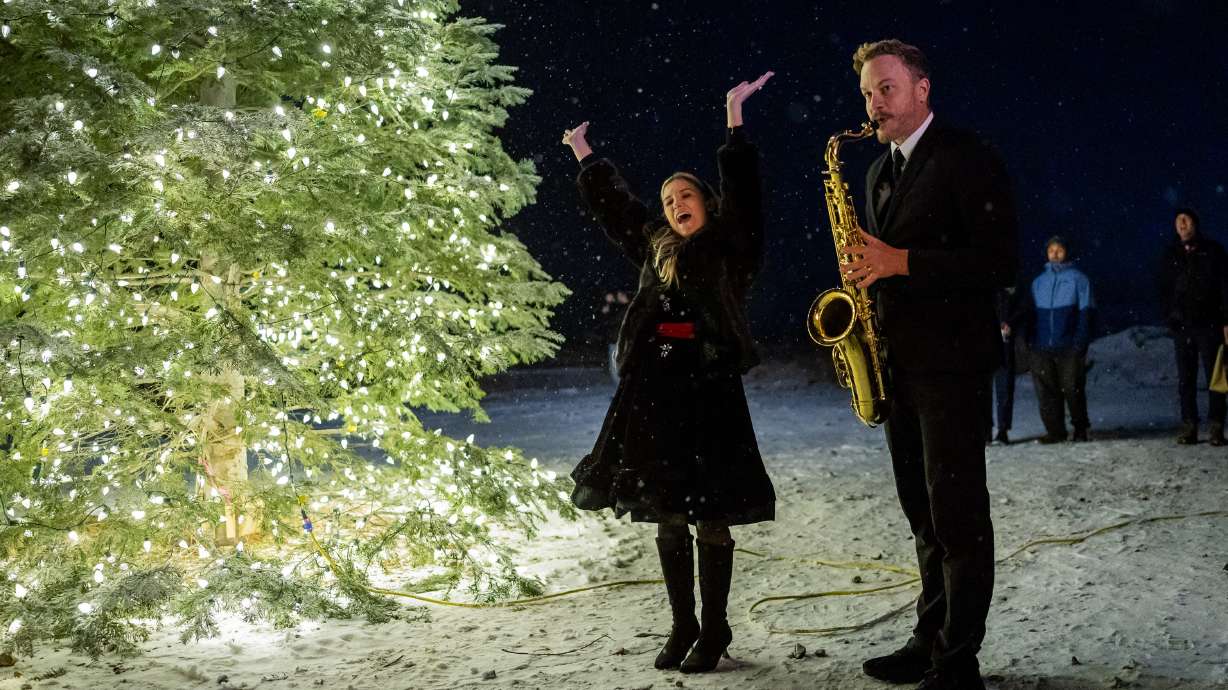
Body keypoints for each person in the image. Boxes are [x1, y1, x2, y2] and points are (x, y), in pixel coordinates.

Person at [561, 72, 777, 674]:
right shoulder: (656, 248)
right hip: (653, 393)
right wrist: (585, 154)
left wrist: (734, 118)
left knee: (709, 509)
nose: (674, 205)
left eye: (685, 196)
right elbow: (618, 211)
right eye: (667, 201)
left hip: (708, 392)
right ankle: (682, 623)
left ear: (706, 202)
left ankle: (715, 627)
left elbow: (747, 193)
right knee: (667, 508)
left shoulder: (732, 245)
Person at [839, 40, 1016, 690]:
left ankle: (957, 662)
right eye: (866, 93)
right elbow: (877, 267)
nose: (873, 104)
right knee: (921, 512)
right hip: (899, 366)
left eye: (885, 88)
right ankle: (929, 637)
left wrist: (902, 262)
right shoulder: (878, 172)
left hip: (954, 366)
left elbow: (1000, 263)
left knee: (958, 514)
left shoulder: (967, 158)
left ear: (921, 89)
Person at [1158, 207, 1228, 445]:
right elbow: (1164, 289)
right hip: (1182, 326)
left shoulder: (1213, 251)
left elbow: (1225, 287)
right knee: (1185, 379)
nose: (1182, 224)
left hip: (1210, 324)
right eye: (1178, 221)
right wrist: (1170, 315)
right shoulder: (1171, 254)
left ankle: (1216, 427)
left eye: (1186, 220)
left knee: (1215, 378)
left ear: (1195, 224)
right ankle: (1189, 426)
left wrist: (1226, 320)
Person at [1028, 235, 1095, 444]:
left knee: (1072, 388)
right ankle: (1055, 431)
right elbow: (1030, 315)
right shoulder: (1038, 282)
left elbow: (1087, 313)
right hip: (1042, 346)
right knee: (1046, 391)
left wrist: (1079, 343)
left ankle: (1080, 428)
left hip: (1069, 346)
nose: (1055, 254)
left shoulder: (1079, 279)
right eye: (1051, 250)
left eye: (1059, 250)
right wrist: (1031, 341)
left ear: (1067, 252)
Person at [984, 285, 1025, 445]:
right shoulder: (980, 284)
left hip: (1005, 344)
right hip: (983, 343)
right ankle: (985, 431)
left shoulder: (1012, 285)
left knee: (1005, 389)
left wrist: (1010, 323)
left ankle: (1002, 431)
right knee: (982, 392)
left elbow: (1024, 308)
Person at [600, 290, 631, 384]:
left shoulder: (627, 308)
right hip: (616, 341)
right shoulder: (622, 307)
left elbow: (612, 321)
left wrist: (607, 310)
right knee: (616, 368)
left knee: (616, 369)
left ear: (624, 296)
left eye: (619, 296)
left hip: (620, 342)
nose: (617, 298)